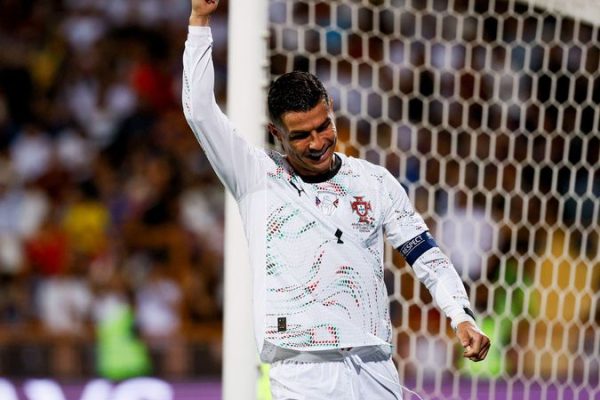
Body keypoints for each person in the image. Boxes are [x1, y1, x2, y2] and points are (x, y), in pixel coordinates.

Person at [182, 1, 491, 398]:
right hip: (304, 371)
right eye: (300, 136)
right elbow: (200, 112)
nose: (317, 143)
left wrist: (460, 315)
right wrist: (200, 22)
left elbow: (425, 254)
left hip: (374, 365)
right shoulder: (256, 175)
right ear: (276, 134)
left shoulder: (373, 181)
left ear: (330, 111)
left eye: (323, 126)